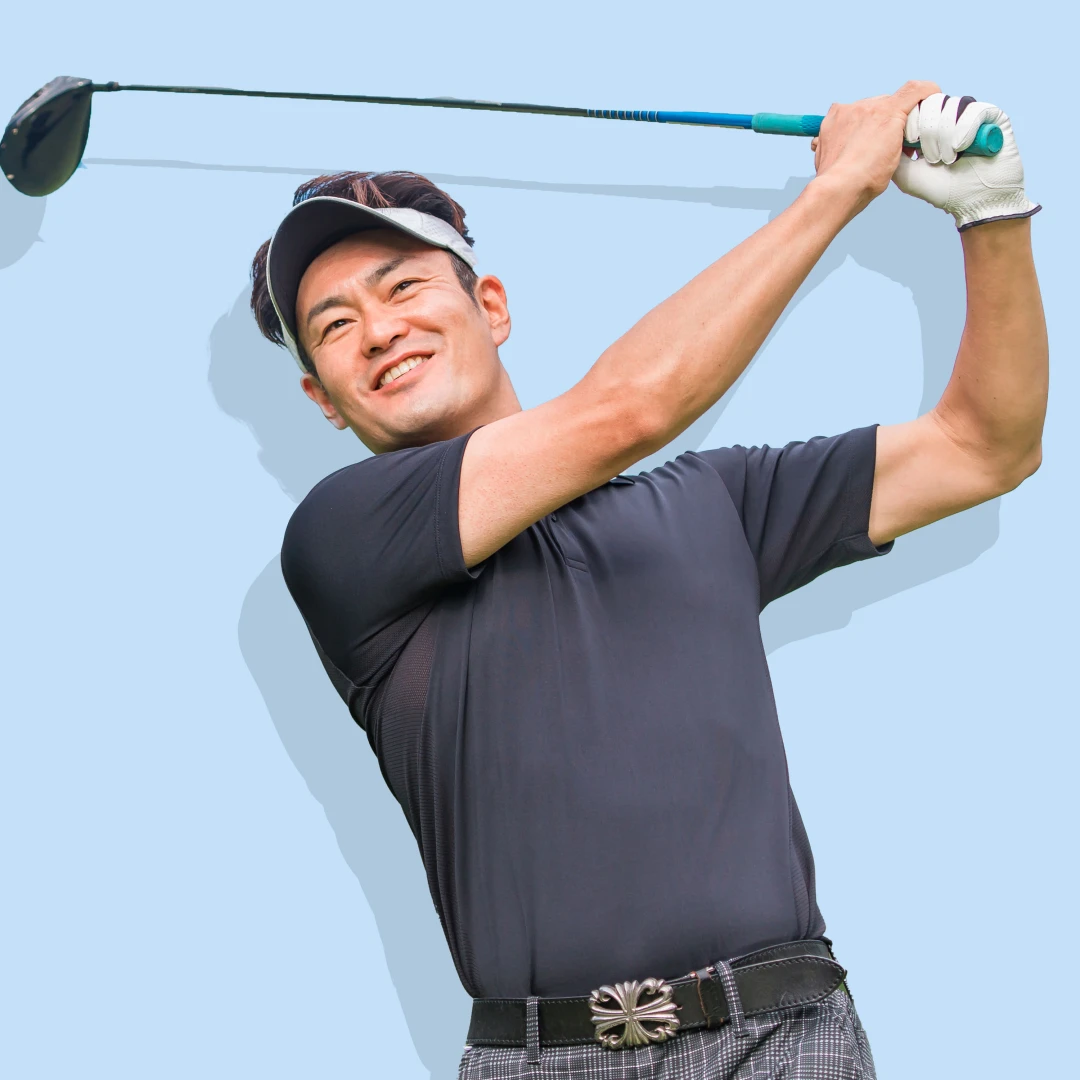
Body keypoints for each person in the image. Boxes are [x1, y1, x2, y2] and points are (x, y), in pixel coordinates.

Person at [248, 81, 1046, 1079]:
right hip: (550, 1057)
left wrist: (991, 216)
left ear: (488, 307)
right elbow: (628, 409)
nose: (377, 329)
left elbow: (984, 445)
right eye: (334, 325)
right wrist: (841, 185)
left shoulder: (717, 501)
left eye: (404, 286)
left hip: (787, 1039)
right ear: (324, 403)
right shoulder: (340, 537)